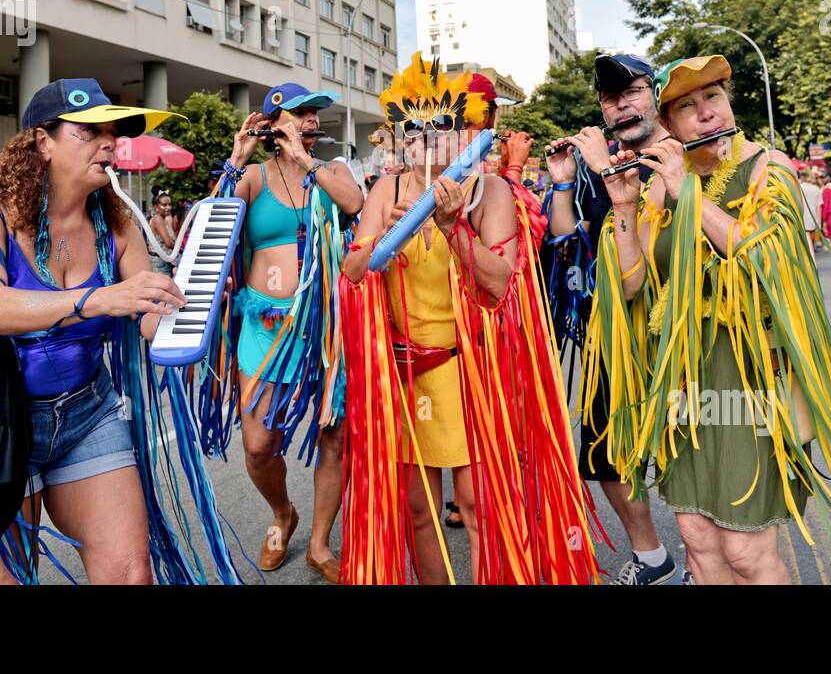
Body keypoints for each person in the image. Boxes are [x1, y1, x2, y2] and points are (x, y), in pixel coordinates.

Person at [0, 78, 241, 585]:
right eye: (89, 132)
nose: (109, 143)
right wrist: (98, 300)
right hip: (0, 421)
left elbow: (151, 322)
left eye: (111, 133)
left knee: (132, 573)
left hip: (89, 412)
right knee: (5, 580)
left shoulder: (119, 227)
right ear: (41, 143)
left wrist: (193, 308)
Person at [588, 55, 831, 584]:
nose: (705, 115)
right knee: (699, 545)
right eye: (686, 106)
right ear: (669, 125)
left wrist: (687, 193)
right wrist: (626, 207)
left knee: (748, 555)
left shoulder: (768, 167)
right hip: (681, 382)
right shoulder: (658, 183)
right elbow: (633, 285)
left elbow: (767, 259)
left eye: (714, 99)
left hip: (750, 380)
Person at [340, 53, 596, 585]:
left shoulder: (491, 190)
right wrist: (386, 238)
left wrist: (454, 227)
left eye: (440, 126)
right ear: (398, 136)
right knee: (419, 511)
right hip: (405, 373)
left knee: (480, 507)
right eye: (411, 129)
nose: (424, 139)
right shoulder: (385, 189)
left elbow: (500, 282)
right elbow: (354, 269)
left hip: (469, 373)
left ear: (462, 135)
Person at [212, 83, 362, 582]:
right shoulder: (253, 177)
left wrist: (307, 160)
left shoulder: (332, 172)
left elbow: (355, 203)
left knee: (332, 437)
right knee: (258, 444)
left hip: (324, 330)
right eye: (299, 114)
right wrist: (238, 155)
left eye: (314, 114)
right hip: (262, 328)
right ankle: (283, 513)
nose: (311, 121)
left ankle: (319, 544)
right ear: (275, 123)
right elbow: (213, 225)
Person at [542, 52, 677, 585]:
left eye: (632, 91)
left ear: (656, 94)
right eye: (608, 98)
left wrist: (604, 169)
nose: (620, 105)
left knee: (685, 453)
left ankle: (710, 561)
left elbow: (642, 268)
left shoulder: (674, 155)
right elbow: (561, 240)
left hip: (676, 330)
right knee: (602, 455)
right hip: (611, 334)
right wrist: (563, 181)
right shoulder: (601, 168)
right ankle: (652, 557)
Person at [146, 191, 176, 275]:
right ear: (156, 207)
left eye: (170, 204)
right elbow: (168, 243)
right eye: (164, 205)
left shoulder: (163, 219)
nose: (168, 207)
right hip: (159, 263)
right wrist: (182, 248)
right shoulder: (158, 219)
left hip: (162, 261)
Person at [799, 168, 823, 252]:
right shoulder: (816, 189)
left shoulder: (799, 188)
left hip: (801, 217)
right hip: (813, 217)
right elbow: (818, 207)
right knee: (811, 244)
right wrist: (819, 222)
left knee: (803, 245)